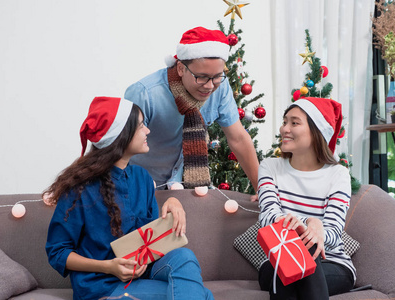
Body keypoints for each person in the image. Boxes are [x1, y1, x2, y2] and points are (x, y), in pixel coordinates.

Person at [45, 97, 213, 300]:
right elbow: (57, 252)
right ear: (121, 136)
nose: (148, 131)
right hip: (101, 286)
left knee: (185, 257)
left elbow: (151, 239)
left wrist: (173, 202)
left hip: (145, 274)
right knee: (202, 295)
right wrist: (107, 267)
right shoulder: (79, 188)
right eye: (141, 125)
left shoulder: (142, 178)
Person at [125, 26, 259, 193]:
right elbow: (118, 150)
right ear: (181, 68)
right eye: (201, 77)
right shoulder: (145, 94)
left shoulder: (221, 87)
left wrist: (261, 190)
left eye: (217, 76)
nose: (210, 86)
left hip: (187, 190)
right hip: (141, 189)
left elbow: (238, 138)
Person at [257, 97, 356, 299]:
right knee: (293, 265)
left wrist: (314, 232)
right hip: (277, 262)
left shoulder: (338, 174)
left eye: (294, 123)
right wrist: (310, 223)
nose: (285, 128)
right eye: (285, 122)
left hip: (332, 263)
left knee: (304, 265)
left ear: (317, 130)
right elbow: (268, 218)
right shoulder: (269, 167)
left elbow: (333, 234)